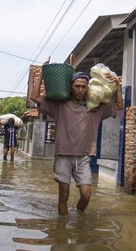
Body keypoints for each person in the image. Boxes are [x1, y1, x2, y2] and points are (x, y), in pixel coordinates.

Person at [31, 61, 123, 216]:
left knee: (86, 195)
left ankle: (79, 217)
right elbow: (34, 97)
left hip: (83, 157)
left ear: (87, 88)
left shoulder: (95, 108)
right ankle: (63, 229)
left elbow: (119, 106)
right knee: (64, 196)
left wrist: (118, 86)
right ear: (71, 87)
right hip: (63, 156)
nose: (80, 90)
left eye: (83, 86)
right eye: (77, 86)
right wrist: (41, 75)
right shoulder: (59, 106)